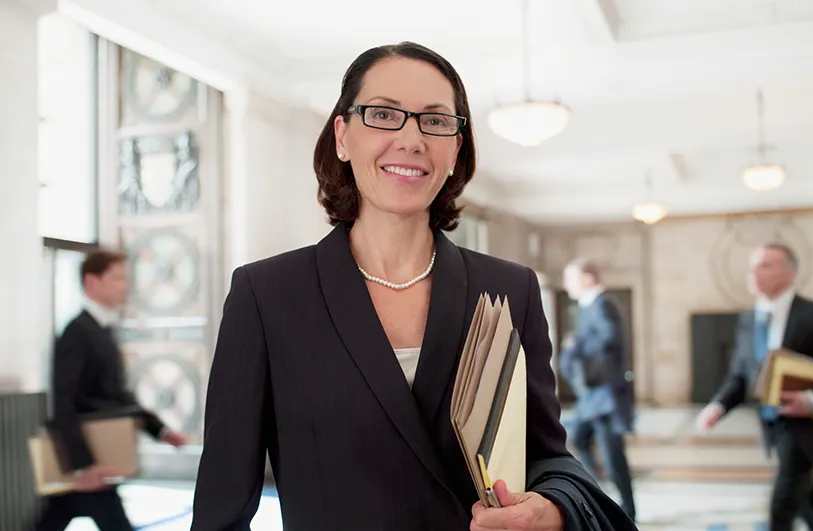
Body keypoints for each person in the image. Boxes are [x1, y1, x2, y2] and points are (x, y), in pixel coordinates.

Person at [191, 42, 634, 530]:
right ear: (342, 135)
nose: (411, 138)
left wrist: (552, 509)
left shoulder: (510, 289)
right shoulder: (267, 295)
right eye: (383, 114)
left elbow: (547, 456)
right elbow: (222, 503)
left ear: (455, 149)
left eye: (436, 121)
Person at [696, 243, 813, 531]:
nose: (753, 272)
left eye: (764, 265)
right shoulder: (748, 319)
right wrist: (718, 405)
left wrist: (812, 398)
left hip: (807, 426)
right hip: (772, 425)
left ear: (789, 272)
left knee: (781, 507)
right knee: (809, 503)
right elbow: (741, 375)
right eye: (752, 266)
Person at [35, 250, 187, 531]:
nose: (124, 285)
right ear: (92, 282)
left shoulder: (101, 330)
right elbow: (63, 402)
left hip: (95, 456)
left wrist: (160, 431)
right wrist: (82, 465)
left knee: (54, 519)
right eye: (116, 278)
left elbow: (117, 396)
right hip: (88, 457)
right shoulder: (77, 333)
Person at [558, 260, 636, 521]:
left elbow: (609, 338)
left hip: (605, 396)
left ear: (588, 279)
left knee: (613, 454)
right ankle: (604, 499)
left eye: (571, 278)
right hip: (594, 397)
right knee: (580, 440)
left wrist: (575, 344)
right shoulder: (589, 307)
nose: (566, 284)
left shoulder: (602, 303)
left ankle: (625, 509)